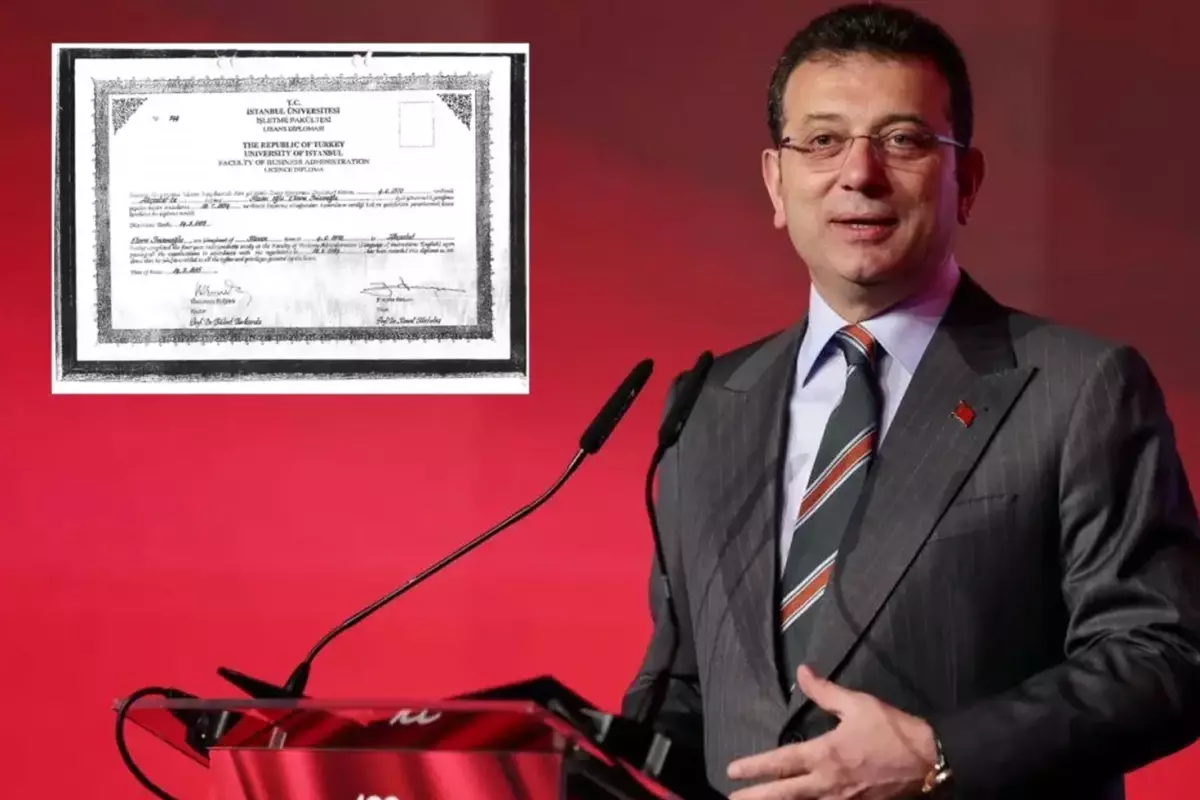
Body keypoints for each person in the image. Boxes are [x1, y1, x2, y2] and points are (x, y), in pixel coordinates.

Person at [620, 3, 1200, 799]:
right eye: (822, 141)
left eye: (902, 140)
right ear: (776, 182)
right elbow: (686, 689)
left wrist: (938, 756)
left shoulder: (1080, 388)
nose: (859, 174)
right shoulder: (708, 403)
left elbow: (1164, 655)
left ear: (967, 182)